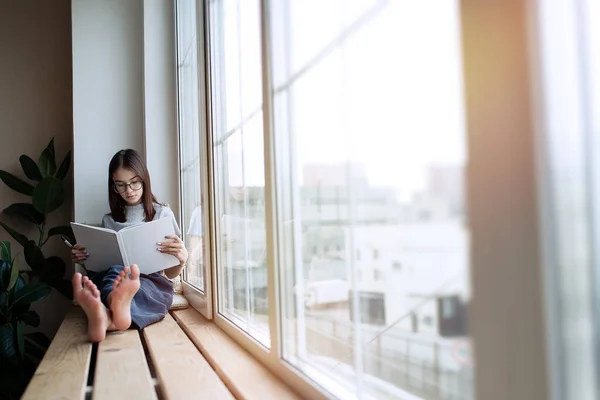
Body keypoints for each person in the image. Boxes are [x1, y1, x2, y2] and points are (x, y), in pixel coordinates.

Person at [71, 149, 188, 342]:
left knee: (139, 289)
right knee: (113, 275)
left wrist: (181, 261)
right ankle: (115, 310)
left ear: (144, 179)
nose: (129, 190)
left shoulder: (162, 214)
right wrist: (84, 258)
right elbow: (100, 263)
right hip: (114, 275)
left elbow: (171, 274)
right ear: (113, 186)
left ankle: (107, 314)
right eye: (121, 185)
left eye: (134, 182)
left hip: (150, 282)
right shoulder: (108, 220)